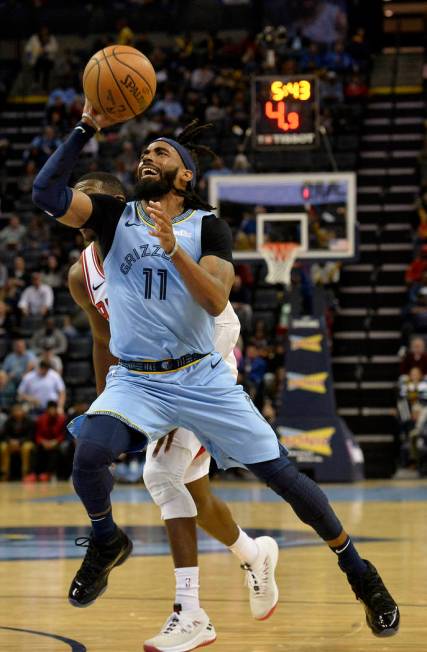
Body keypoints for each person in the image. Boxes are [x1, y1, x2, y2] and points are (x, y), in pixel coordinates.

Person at [32, 105, 399, 650]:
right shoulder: (113, 218)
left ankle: (359, 572)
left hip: (203, 371)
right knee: (89, 458)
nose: (147, 155)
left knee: (283, 478)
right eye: (143, 152)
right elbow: (46, 192)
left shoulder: (208, 227)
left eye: (161, 151)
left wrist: (173, 249)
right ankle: (111, 542)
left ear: (186, 176)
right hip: (139, 381)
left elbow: (216, 298)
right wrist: (86, 126)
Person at [68, 171, 280, 632]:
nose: (81, 211)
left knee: (160, 475)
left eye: (90, 201)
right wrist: (112, 405)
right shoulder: (82, 274)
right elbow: (103, 339)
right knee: (196, 497)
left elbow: (221, 318)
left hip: (205, 364)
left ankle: (190, 613)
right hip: (144, 378)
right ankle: (255, 554)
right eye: (75, 202)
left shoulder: (162, 240)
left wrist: (185, 385)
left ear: (118, 206)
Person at [0, 403, 35, 481]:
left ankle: (25, 473)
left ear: (23, 412)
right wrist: (10, 441)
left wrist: (19, 442)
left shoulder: (29, 421)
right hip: (10, 443)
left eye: (19, 411)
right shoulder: (9, 421)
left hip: (25, 442)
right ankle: (4, 473)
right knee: (2, 447)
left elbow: (30, 436)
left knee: (26, 448)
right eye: (15, 411)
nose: (17, 413)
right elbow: (4, 435)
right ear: (12, 412)